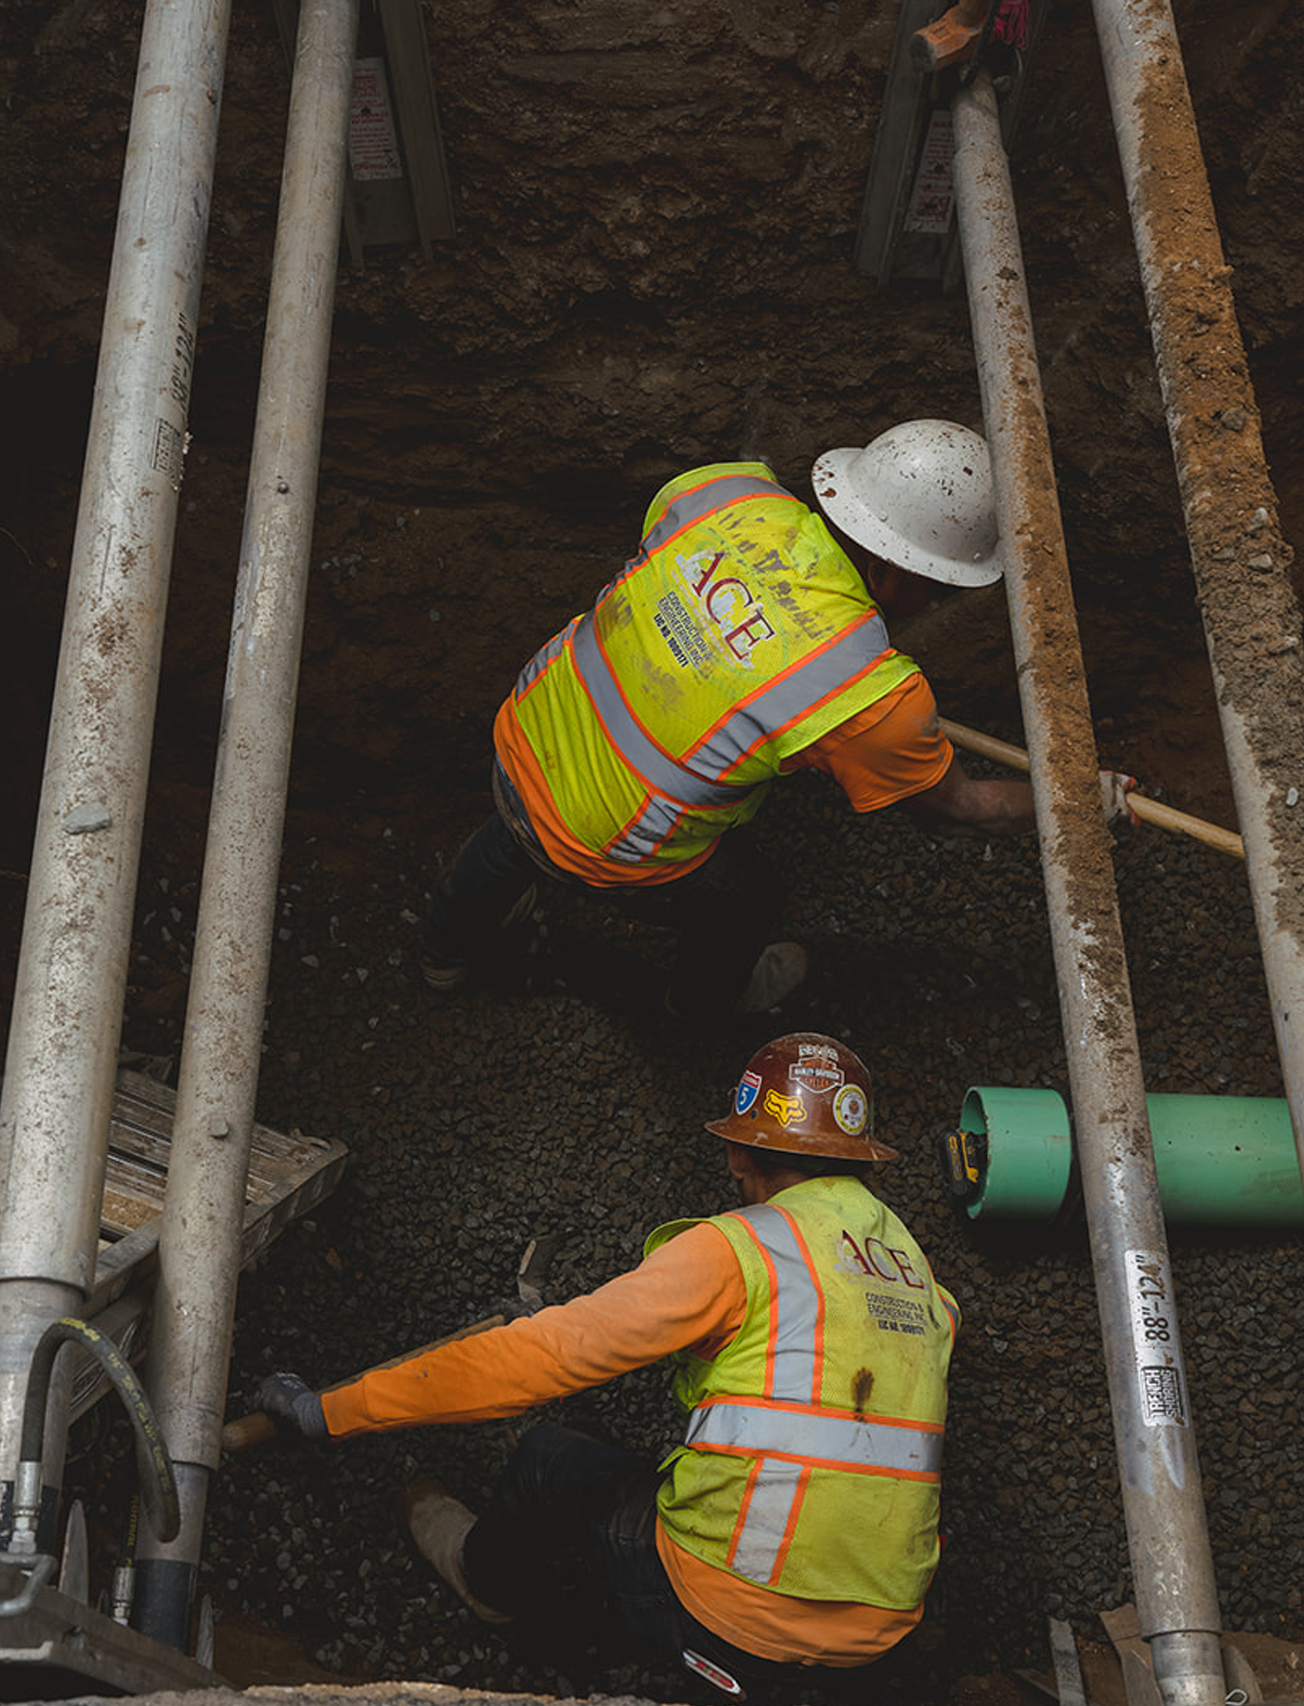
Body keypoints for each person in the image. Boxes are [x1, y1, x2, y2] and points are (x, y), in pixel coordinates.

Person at [251, 1032, 959, 1700]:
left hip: (731, 1624)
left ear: (741, 1157)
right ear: (863, 1162)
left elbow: (540, 1361)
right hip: (884, 1630)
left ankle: (485, 1585)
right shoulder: (925, 1286)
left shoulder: (742, 1251)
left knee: (549, 1456)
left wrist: (328, 1412)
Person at [417, 420, 1037, 1017]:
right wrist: (1077, 803)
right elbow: (957, 812)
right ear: (886, 572)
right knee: (748, 898)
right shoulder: (870, 695)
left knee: (511, 832)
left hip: (531, 722)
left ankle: (443, 948)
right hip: (606, 832)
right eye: (940, 586)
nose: (938, 603)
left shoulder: (723, 489)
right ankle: (703, 1004)